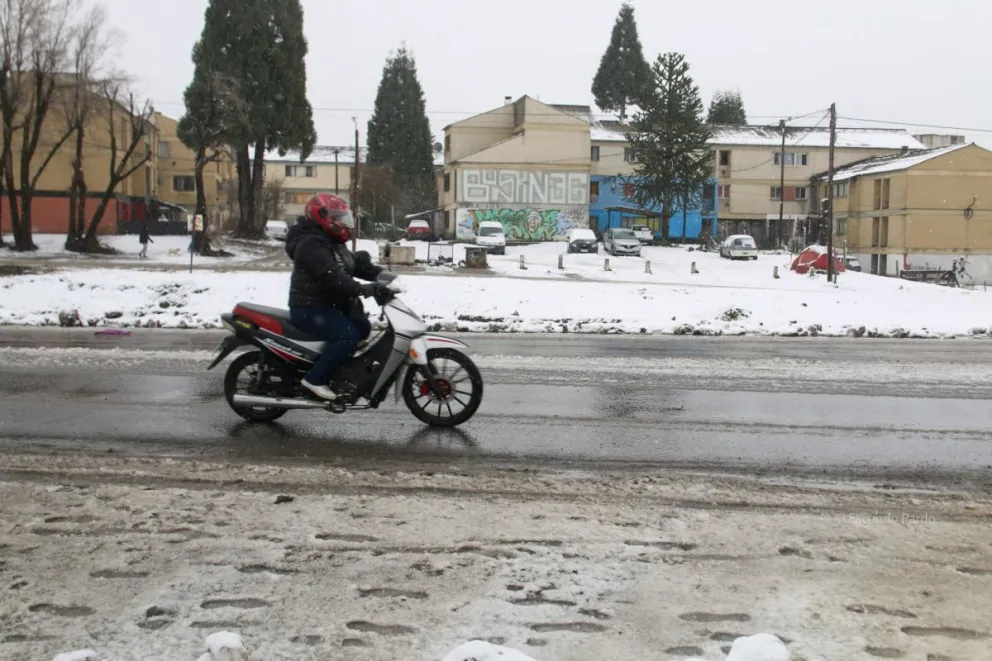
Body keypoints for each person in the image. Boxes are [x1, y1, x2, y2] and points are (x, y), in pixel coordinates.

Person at [285, 193, 383, 400]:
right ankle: (315, 379)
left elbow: (351, 265)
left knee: (362, 327)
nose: (342, 223)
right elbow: (332, 275)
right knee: (347, 335)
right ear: (321, 216)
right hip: (309, 307)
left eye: (342, 217)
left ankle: (338, 367)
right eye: (337, 218)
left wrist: (381, 275)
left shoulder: (330, 241)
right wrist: (360, 288)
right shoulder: (310, 244)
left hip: (327, 305)